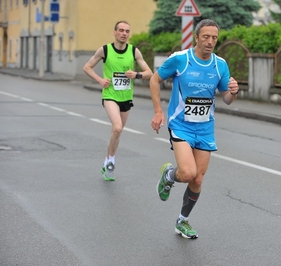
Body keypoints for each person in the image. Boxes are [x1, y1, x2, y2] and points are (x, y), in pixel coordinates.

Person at [149, 19, 239, 239]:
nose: (210, 42)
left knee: (197, 179)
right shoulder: (181, 60)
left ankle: (183, 221)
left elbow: (227, 99)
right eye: (206, 37)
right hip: (181, 125)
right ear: (196, 37)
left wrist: (234, 91)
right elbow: (154, 79)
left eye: (214, 38)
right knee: (187, 172)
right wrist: (158, 112)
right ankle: (169, 175)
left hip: (205, 129)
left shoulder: (220, 65)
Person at [83, 21, 153, 181]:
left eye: (127, 31)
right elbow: (87, 67)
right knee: (117, 127)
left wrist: (136, 74)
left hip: (126, 98)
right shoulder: (105, 50)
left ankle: (107, 160)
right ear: (114, 32)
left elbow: (149, 72)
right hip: (110, 96)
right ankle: (111, 164)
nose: (124, 33)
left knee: (117, 132)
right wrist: (100, 81)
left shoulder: (134, 51)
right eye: (121, 30)